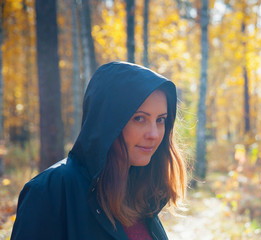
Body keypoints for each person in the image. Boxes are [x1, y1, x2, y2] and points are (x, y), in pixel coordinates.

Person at [11, 61, 187, 240]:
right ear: (108, 121)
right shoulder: (49, 191)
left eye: (160, 120)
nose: (154, 134)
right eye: (139, 118)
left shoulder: (138, 195)